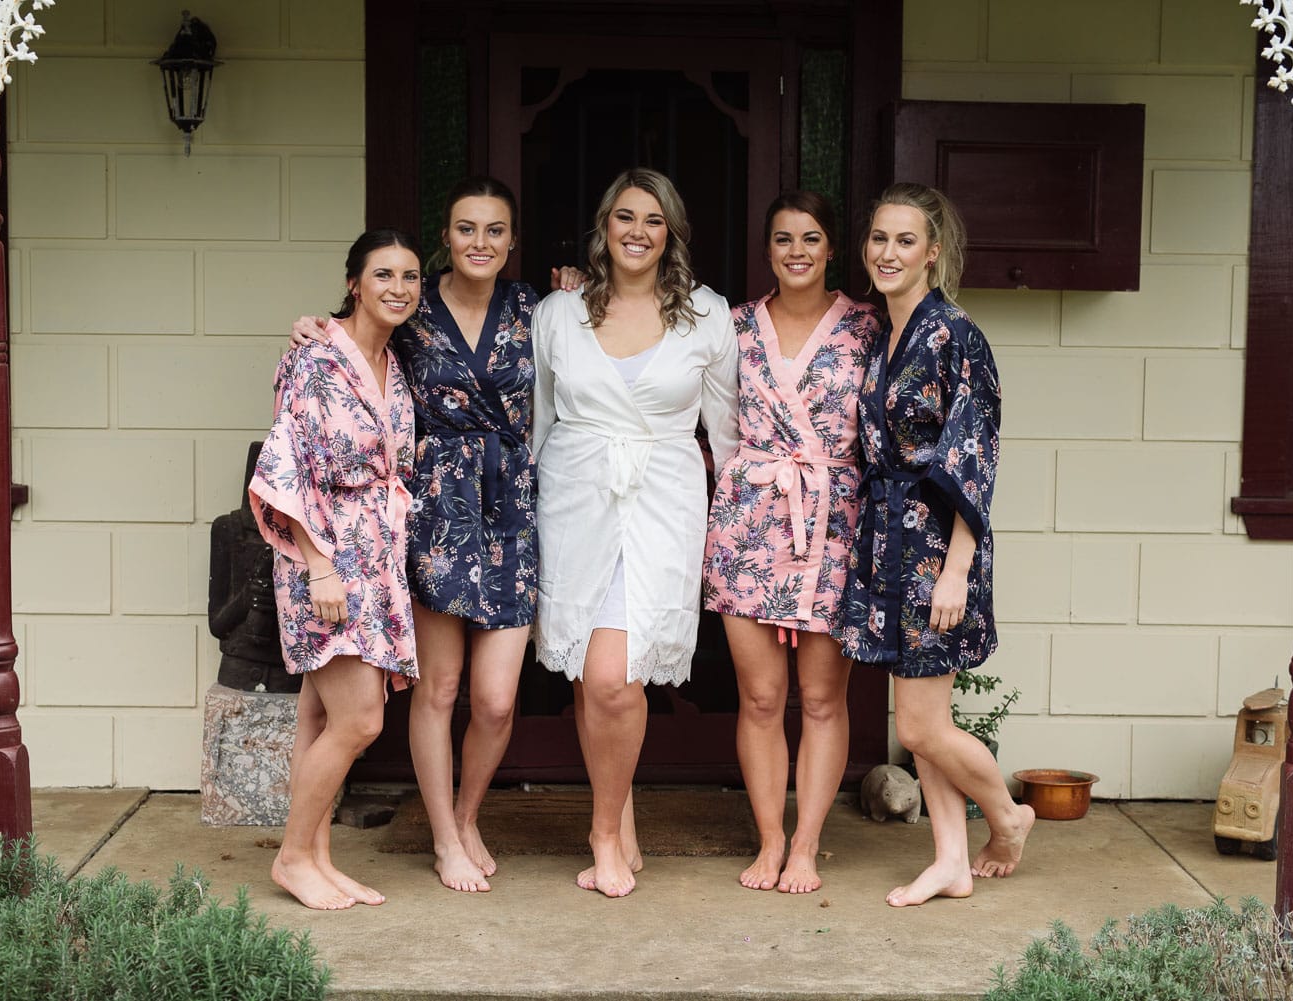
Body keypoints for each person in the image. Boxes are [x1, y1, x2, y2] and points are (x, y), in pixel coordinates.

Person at [291, 178, 577, 893]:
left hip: (512, 506)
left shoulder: (538, 311)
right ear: (445, 237)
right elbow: (350, 350)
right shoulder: (412, 314)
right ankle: (445, 836)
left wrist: (576, 292)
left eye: (495, 230)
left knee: (498, 698)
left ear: (513, 241)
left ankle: (468, 811)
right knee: (439, 686)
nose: (480, 242)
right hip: (433, 514)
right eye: (465, 228)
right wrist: (313, 327)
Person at [532, 167, 740, 897]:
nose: (637, 231)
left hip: (663, 502)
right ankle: (618, 823)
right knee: (597, 683)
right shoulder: (558, 313)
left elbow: (730, 433)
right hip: (576, 500)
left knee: (617, 681)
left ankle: (602, 832)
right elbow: (538, 420)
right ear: (604, 225)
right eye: (625, 216)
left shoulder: (707, 317)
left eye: (653, 220)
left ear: (671, 232)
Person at [835, 182, 1034, 907]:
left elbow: (973, 460)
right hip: (887, 542)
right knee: (924, 727)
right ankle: (951, 858)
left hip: (935, 551)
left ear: (934, 252)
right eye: (879, 238)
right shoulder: (883, 332)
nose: (888, 252)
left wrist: (955, 572)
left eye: (905, 240)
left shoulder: (956, 336)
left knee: (920, 722)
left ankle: (1009, 815)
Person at [703, 191, 878, 894]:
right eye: (782, 239)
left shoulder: (869, 325)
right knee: (761, 698)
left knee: (824, 698)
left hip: (834, 523)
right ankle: (770, 839)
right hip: (749, 520)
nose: (796, 251)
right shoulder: (733, 326)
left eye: (810, 238)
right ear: (767, 248)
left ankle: (807, 842)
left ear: (832, 247)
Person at [250, 229, 421, 910]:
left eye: (410, 276)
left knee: (320, 719)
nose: (398, 288)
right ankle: (293, 855)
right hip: (323, 558)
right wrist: (320, 565)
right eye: (383, 274)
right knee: (361, 721)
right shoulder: (316, 361)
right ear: (354, 281)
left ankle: (320, 858)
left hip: (375, 561)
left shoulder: (393, 364)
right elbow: (286, 465)